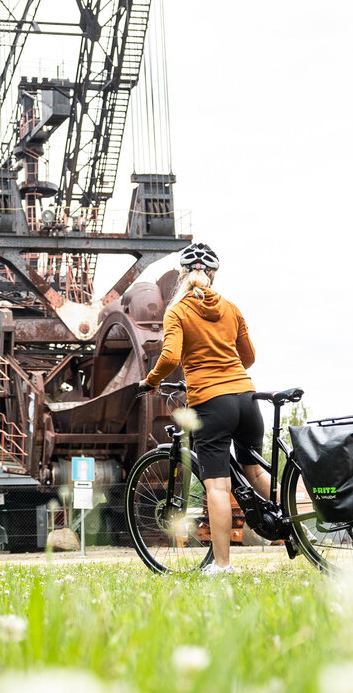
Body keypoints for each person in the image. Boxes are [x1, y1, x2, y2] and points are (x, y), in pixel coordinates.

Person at [137, 243, 263, 575]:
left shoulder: (177, 311)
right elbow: (249, 357)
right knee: (255, 472)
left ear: (182, 275)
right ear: (213, 276)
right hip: (247, 398)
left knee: (217, 486)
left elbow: (170, 358)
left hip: (211, 402)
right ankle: (299, 527)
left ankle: (222, 565)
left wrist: (151, 381)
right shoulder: (231, 308)